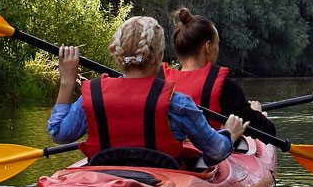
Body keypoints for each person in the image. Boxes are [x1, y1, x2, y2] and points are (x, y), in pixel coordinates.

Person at [47, 16, 249, 168]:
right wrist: (230, 134)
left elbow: (58, 134)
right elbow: (215, 152)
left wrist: (67, 81)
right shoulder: (177, 103)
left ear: (118, 58)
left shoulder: (93, 98)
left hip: (104, 179)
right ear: (158, 57)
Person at [161, 8, 276, 135]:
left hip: (165, 154)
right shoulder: (224, 88)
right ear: (208, 47)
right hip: (209, 152)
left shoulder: (160, 82)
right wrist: (257, 113)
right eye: (217, 44)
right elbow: (268, 131)